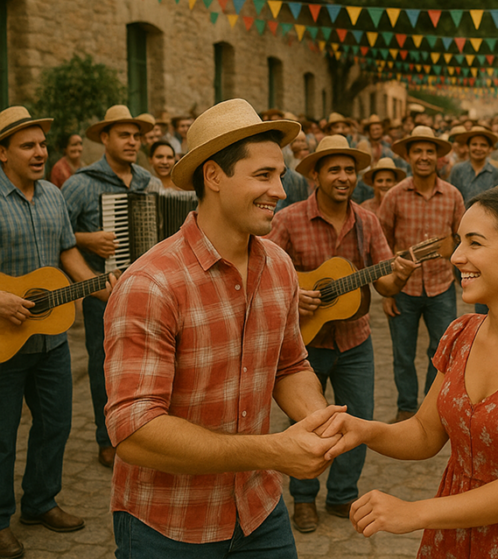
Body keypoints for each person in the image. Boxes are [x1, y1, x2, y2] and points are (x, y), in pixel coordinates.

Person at [103, 99, 348, 555]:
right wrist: (275, 451)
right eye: (263, 176)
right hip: (169, 526)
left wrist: (316, 420)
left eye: (280, 174)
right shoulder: (150, 283)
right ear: (213, 176)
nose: (281, 190)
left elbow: (290, 365)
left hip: (259, 510)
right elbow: (133, 432)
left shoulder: (279, 266)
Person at [326, 187, 498, 558]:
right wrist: (363, 429)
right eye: (459, 242)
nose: (456, 257)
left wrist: (414, 512)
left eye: (474, 243)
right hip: (453, 534)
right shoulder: (461, 333)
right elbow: (425, 433)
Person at [267, 135, 418, 533]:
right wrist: (294, 294)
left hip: (355, 340)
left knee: (358, 417)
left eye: (350, 170)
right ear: (315, 174)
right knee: (307, 420)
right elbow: (263, 274)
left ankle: (341, 495)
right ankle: (302, 498)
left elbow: (384, 286)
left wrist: (399, 275)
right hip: (303, 344)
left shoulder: (367, 221)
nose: (344, 177)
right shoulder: (288, 218)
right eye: (334, 169)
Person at [0, 107, 115, 558]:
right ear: (3, 152)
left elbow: (67, 251)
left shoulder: (52, 193)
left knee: (56, 424)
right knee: (2, 435)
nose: (39, 153)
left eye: (42, 145)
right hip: (5, 343)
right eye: (28, 145)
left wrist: (101, 286)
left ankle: (40, 502)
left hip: (51, 339)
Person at [61, 105, 157, 468]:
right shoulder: (80, 183)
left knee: (150, 364)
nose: (133, 142)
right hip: (103, 295)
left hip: (149, 292)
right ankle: (108, 438)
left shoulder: (149, 181)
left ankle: (148, 430)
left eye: (136, 136)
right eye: (124, 135)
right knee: (105, 368)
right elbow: (57, 234)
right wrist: (87, 239)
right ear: (104, 138)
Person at [378, 126, 465, 423]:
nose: (424, 157)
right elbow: (382, 245)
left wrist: (460, 273)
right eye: (418, 151)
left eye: (430, 151)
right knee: (403, 353)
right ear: (408, 156)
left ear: (439, 157)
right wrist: (387, 291)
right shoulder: (394, 196)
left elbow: (461, 239)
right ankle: (406, 408)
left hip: (441, 286)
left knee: (440, 351)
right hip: (404, 288)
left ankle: (431, 409)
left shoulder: (452, 195)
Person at [447, 126, 498, 207]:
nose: (478, 148)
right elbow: (452, 200)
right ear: (467, 147)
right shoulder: (457, 170)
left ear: (490, 149)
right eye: (474, 144)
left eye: (483, 145)